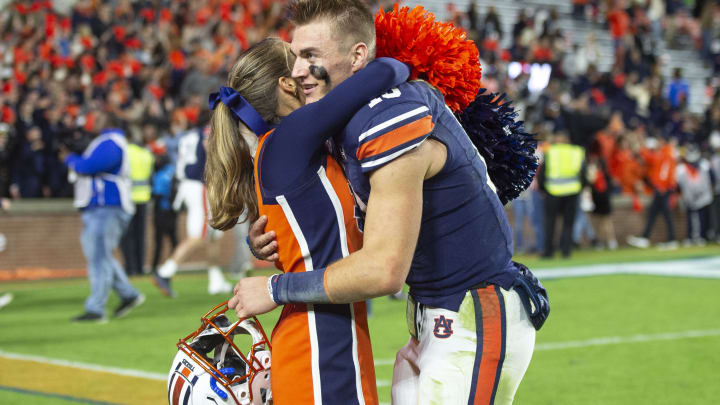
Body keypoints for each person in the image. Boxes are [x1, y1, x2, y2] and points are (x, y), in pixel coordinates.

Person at [232, 2, 545, 404]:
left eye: (311, 56)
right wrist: (277, 239)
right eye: (296, 57)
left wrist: (276, 289)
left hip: (473, 315)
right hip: (435, 318)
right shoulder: (350, 120)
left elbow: (383, 271)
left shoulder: (388, 115)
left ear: (358, 55)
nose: (296, 71)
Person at [205, 36, 409, 403]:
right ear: (288, 83)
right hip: (320, 347)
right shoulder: (289, 138)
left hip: (323, 337)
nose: (311, 69)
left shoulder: (283, 149)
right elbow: (388, 70)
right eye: (304, 60)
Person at [62, 114, 145, 323]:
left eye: (97, 118)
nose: (92, 121)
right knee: (101, 254)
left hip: (108, 205)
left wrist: (69, 158)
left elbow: (87, 167)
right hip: (103, 206)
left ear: (107, 123)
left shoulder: (111, 142)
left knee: (98, 256)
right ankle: (129, 294)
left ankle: (96, 308)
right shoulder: (108, 141)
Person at [154, 125, 232, 297]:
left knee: (213, 234)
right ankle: (165, 272)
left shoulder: (189, 135)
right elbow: (209, 145)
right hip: (199, 184)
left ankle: (215, 280)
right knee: (199, 236)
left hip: (190, 184)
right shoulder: (208, 130)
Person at [538, 132, 586, 258]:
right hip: (572, 191)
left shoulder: (550, 151)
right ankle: (566, 251)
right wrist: (581, 187)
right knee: (568, 223)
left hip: (552, 191)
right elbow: (583, 174)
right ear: (568, 140)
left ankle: (548, 252)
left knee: (550, 223)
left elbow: (542, 173)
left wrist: (543, 188)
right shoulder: (577, 152)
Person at [627, 137, 679, 249]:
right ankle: (646, 238)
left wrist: (661, 187)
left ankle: (671, 239)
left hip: (662, 189)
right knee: (653, 214)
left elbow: (662, 171)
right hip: (662, 188)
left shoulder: (665, 154)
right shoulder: (665, 154)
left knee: (665, 215)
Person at [120, 135, 154, 276]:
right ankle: (140, 267)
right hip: (144, 197)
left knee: (128, 236)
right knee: (141, 235)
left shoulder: (126, 152)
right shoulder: (147, 154)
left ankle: (130, 268)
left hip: (129, 199)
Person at [149, 153, 178, 282]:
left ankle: (156, 267)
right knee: (173, 241)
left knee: (159, 241)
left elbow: (157, 194)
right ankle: (172, 266)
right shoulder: (172, 171)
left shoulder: (160, 174)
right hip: (173, 211)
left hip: (161, 211)